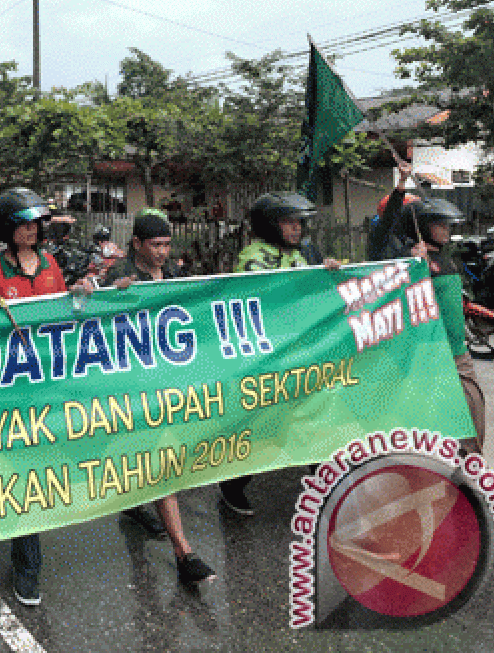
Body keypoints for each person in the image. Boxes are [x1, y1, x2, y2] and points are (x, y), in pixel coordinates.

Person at [99, 210, 216, 586]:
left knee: (159, 459)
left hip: (171, 384)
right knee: (160, 461)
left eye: (167, 244)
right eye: (155, 245)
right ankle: (184, 553)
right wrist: (111, 299)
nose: (163, 252)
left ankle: (136, 504)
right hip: (136, 388)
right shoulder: (119, 277)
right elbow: (95, 324)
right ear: (137, 244)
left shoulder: (176, 275)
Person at [0, 187, 69, 607]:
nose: (31, 229)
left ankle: (26, 559)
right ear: (7, 229)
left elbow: (64, 316)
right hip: (5, 395)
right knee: (13, 470)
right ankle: (27, 564)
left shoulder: (52, 266)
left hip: (45, 389)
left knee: (33, 472)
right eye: (23, 223)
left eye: (35, 222)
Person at [219, 192, 340, 516]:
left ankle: (326, 482)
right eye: (288, 221)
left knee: (314, 419)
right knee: (267, 427)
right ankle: (231, 485)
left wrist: (328, 273)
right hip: (269, 360)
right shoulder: (253, 257)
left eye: (298, 221)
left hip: (302, 356)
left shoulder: (303, 256)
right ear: (270, 225)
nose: (296, 227)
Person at [373, 180, 485, 455]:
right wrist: (409, 262)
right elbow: (378, 244)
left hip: (458, 353)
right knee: (432, 431)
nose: (446, 230)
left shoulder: (447, 259)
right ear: (423, 228)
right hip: (428, 356)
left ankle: (469, 483)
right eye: (439, 224)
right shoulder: (409, 261)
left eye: (447, 225)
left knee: (473, 423)